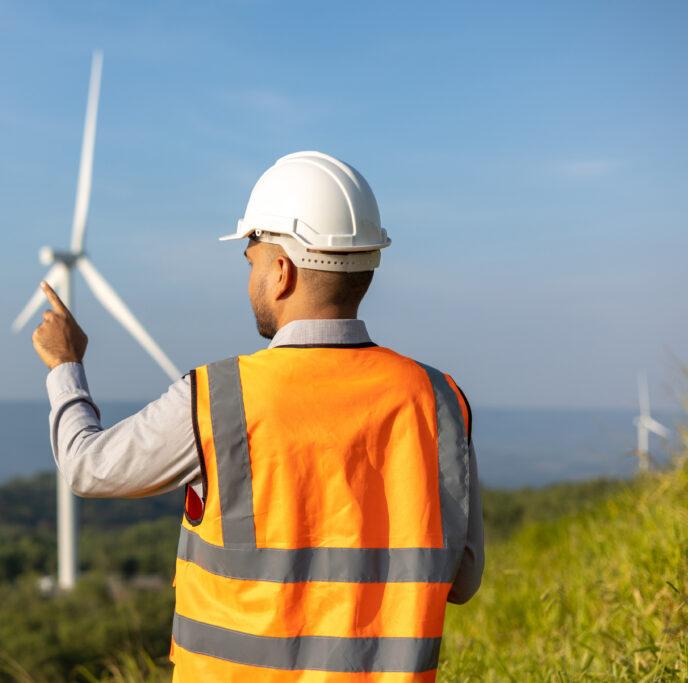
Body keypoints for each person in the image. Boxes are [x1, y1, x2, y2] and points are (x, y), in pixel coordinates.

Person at [30, 151, 484, 680]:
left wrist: (65, 366)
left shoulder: (217, 397)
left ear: (282, 272)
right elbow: (463, 578)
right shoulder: (438, 400)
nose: (250, 281)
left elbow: (87, 466)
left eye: (252, 262)